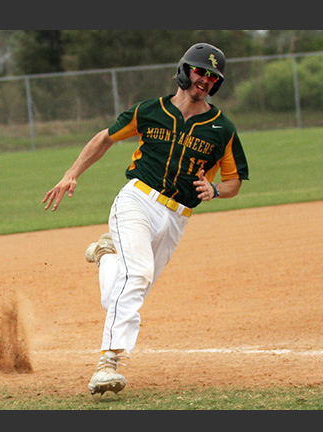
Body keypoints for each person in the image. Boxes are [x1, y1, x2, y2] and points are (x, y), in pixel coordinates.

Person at [42, 43, 249, 394]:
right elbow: (104, 139)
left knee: (124, 292)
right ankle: (107, 362)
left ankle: (107, 254)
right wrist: (71, 173)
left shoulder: (221, 129)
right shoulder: (150, 111)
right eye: (201, 71)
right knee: (137, 275)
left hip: (177, 218)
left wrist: (215, 191)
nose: (206, 80)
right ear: (185, 71)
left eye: (213, 77)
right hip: (137, 200)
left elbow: (233, 181)